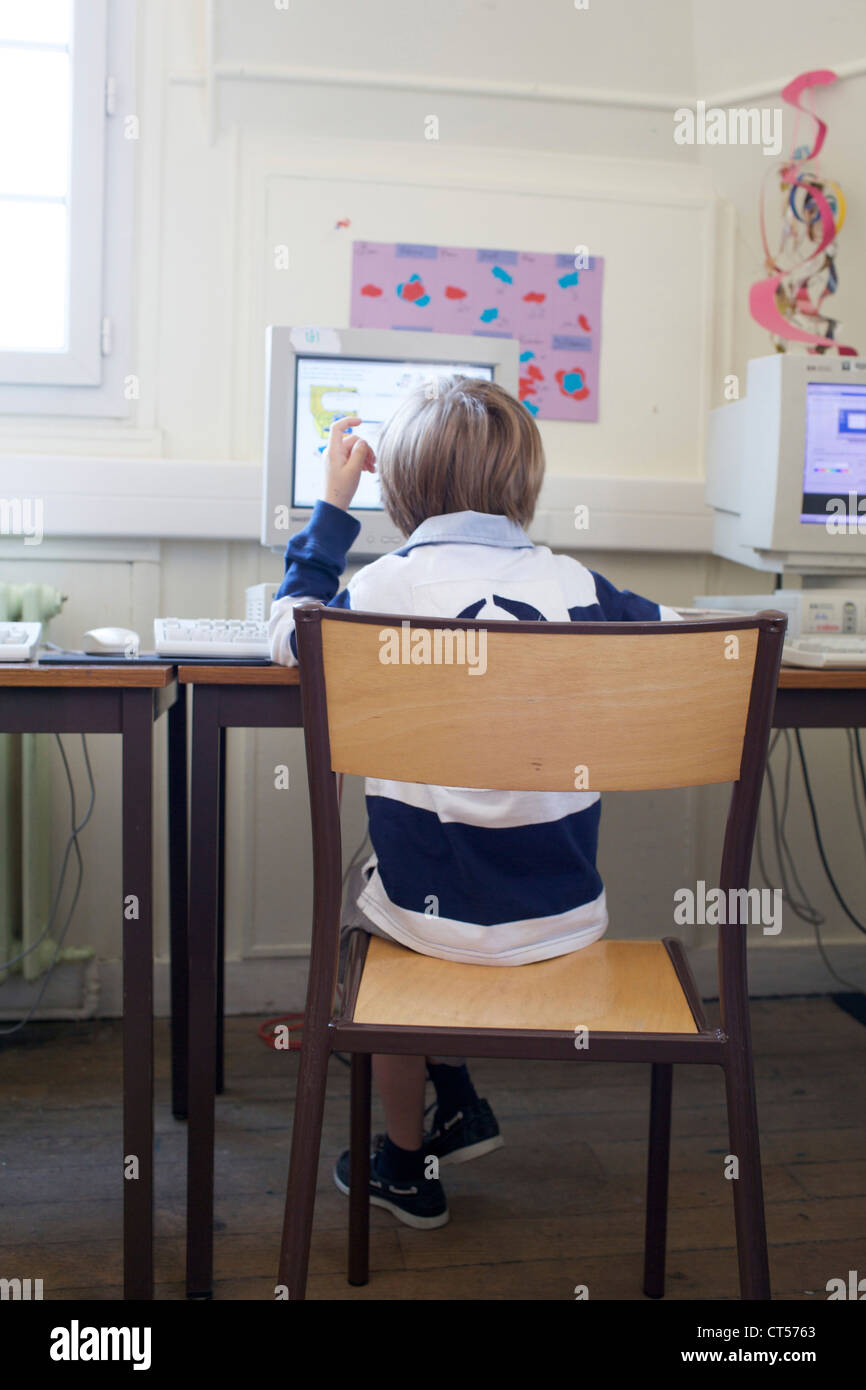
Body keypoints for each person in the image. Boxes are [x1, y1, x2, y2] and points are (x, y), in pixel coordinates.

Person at [270, 376, 681, 1230]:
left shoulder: (381, 589)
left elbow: (290, 634)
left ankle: (402, 1161)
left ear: (403, 489)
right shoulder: (579, 587)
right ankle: (453, 1094)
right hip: (564, 918)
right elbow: (693, 638)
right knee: (436, 877)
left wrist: (331, 513)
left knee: (369, 926)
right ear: (524, 483)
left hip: (436, 923)